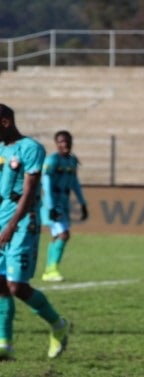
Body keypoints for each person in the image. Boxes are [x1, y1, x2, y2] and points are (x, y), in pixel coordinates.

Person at [0, 104, 71, 360]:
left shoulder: (32, 149)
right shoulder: (1, 150)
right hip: (1, 220)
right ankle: (5, 343)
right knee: (0, 284)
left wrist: (10, 226)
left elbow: (29, 192)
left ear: (5, 122)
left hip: (22, 224)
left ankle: (58, 326)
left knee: (16, 286)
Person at [40, 130, 89, 282]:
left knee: (56, 236)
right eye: (61, 141)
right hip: (54, 204)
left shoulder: (72, 161)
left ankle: (49, 270)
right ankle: (52, 268)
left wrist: (82, 203)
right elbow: (46, 184)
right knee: (64, 234)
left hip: (63, 204)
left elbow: (75, 184)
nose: (64, 144)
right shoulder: (52, 160)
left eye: (67, 141)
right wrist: (51, 207)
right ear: (56, 144)